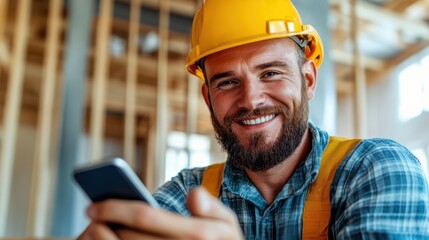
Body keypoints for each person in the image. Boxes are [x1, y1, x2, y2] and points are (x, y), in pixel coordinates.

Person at [78, 0, 429, 239]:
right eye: (228, 82)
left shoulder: (377, 168)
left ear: (307, 80)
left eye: (271, 72)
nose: (251, 100)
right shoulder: (190, 192)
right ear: (208, 98)